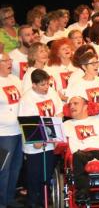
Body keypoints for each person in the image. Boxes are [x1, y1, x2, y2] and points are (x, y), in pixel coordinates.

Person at [62, 96, 99, 203]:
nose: (72, 106)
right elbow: (59, 143)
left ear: (85, 106)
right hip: (81, 153)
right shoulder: (66, 125)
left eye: (75, 103)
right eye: (70, 104)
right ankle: (82, 191)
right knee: (77, 157)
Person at [18, 69, 64, 208]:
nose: (46, 87)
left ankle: (45, 201)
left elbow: (59, 112)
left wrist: (54, 133)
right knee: (35, 177)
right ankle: (33, 202)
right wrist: (38, 140)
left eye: (47, 84)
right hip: (36, 144)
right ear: (34, 85)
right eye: (42, 85)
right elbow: (27, 123)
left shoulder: (51, 91)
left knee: (47, 174)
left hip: (51, 140)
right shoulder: (27, 99)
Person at [0, 52, 22, 207]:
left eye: (10, 59)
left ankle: (9, 198)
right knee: (3, 169)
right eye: (6, 60)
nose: (10, 62)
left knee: (16, 167)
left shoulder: (15, 79)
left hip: (20, 130)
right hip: (3, 133)